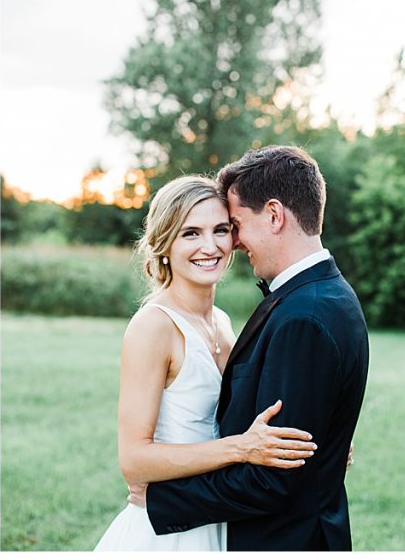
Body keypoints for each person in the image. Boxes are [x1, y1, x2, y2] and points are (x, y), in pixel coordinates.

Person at [143, 146, 370, 551]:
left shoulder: (305, 315)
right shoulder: (326, 295)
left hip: (284, 540)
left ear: (275, 215)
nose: (234, 241)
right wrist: (325, 438)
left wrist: (161, 499)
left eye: (235, 225)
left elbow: (275, 478)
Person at [95, 175, 317, 551]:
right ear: (165, 244)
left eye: (221, 230)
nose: (210, 246)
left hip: (218, 515)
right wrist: (240, 449)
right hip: (168, 531)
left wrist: (318, 437)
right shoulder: (154, 326)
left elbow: (249, 414)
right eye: (191, 233)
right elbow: (133, 459)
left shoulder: (223, 322)